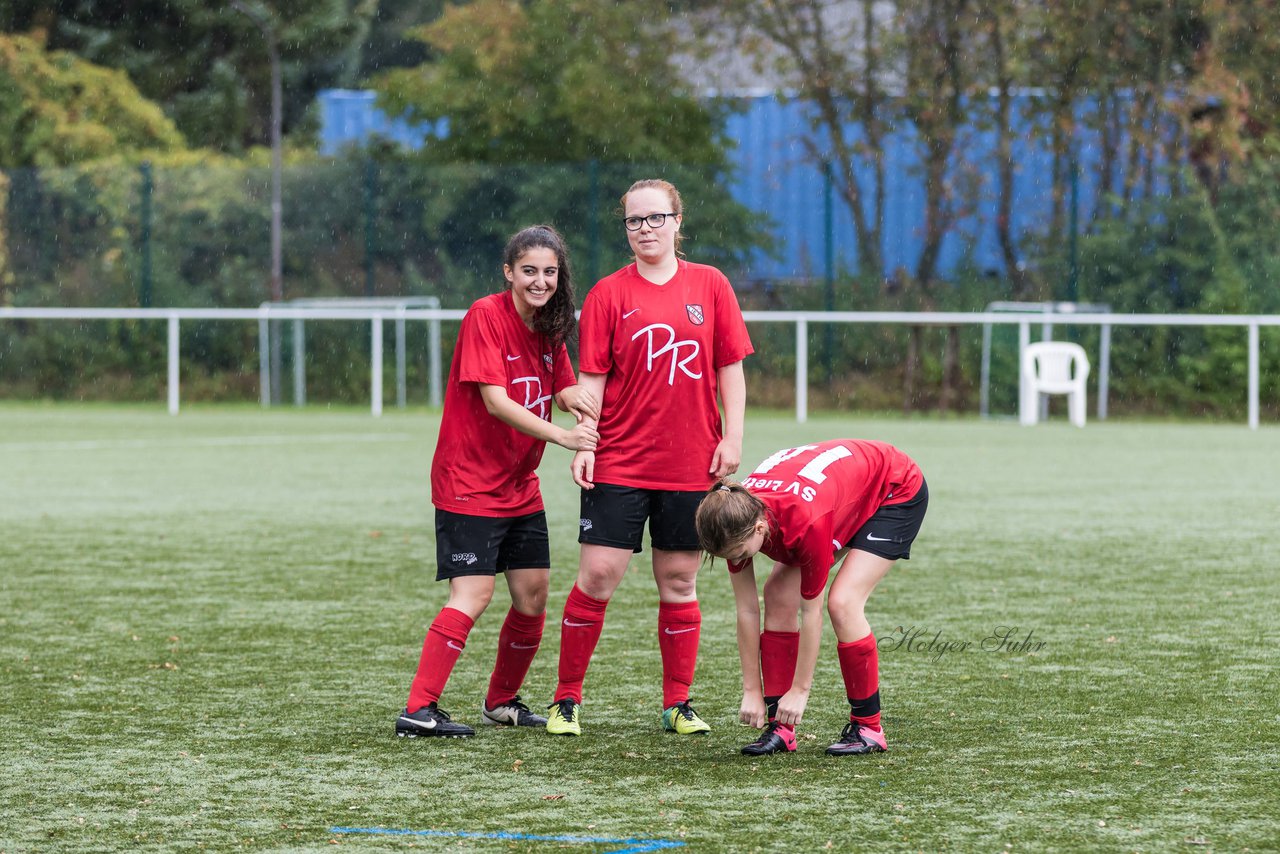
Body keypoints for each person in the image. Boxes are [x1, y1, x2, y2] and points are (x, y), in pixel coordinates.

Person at [544, 179, 754, 737]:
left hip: (691, 464)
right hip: (620, 460)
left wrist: (732, 437)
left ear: (678, 221)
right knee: (597, 575)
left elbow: (729, 367)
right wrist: (585, 442)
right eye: (634, 222)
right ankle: (566, 701)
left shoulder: (711, 285)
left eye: (656, 218)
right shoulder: (611, 293)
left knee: (680, 580)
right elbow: (593, 380)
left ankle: (677, 704)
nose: (645, 230)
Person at [396, 225, 600, 739]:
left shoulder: (549, 325)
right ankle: (418, 708)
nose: (540, 281)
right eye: (529, 270)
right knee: (474, 594)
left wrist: (575, 399)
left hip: (518, 484)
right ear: (508, 272)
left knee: (532, 595)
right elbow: (496, 400)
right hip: (468, 480)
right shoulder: (485, 316)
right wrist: (563, 436)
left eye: (550, 272)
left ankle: (501, 700)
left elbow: (559, 384)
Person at [694, 439, 928, 756]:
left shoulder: (804, 522)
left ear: (760, 528)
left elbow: (811, 613)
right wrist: (752, 689)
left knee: (843, 603)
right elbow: (748, 610)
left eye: (738, 553)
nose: (734, 560)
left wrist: (800, 690)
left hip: (894, 489)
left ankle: (869, 727)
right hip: (839, 495)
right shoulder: (733, 516)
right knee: (777, 592)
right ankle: (781, 728)